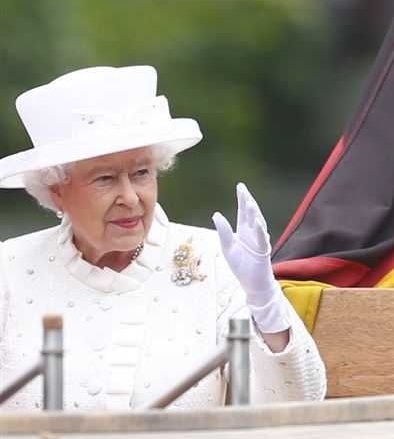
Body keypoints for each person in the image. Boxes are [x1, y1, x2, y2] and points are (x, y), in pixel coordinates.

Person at [0, 65, 326, 410]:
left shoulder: (217, 261)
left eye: (141, 173)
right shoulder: (8, 269)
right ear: (57, 192)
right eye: (105, 179)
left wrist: (266, 306)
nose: (130, 197)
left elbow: (294, 405)